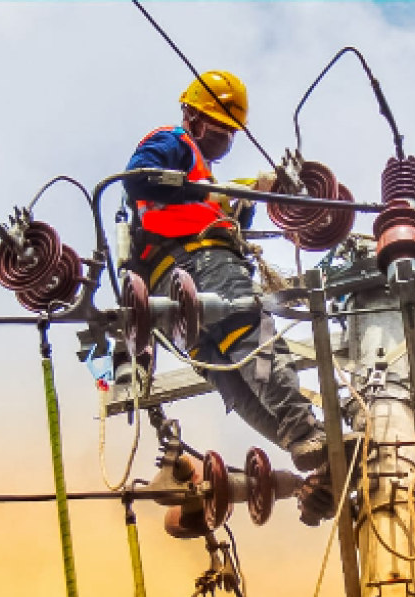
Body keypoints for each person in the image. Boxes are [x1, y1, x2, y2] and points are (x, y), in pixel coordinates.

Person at [121, 70, 329, 474]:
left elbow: (216, 216)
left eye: (229, 132)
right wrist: (222, 192)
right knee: (252, 332)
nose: (224, 138)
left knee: (228, 376)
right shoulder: (173, 141)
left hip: (174, 292)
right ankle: (303, 431)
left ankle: (299, 443)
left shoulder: (202, 179)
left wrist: (241, 200)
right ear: (192, 117)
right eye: (218, 128)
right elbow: (139, 180)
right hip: (203, 264)